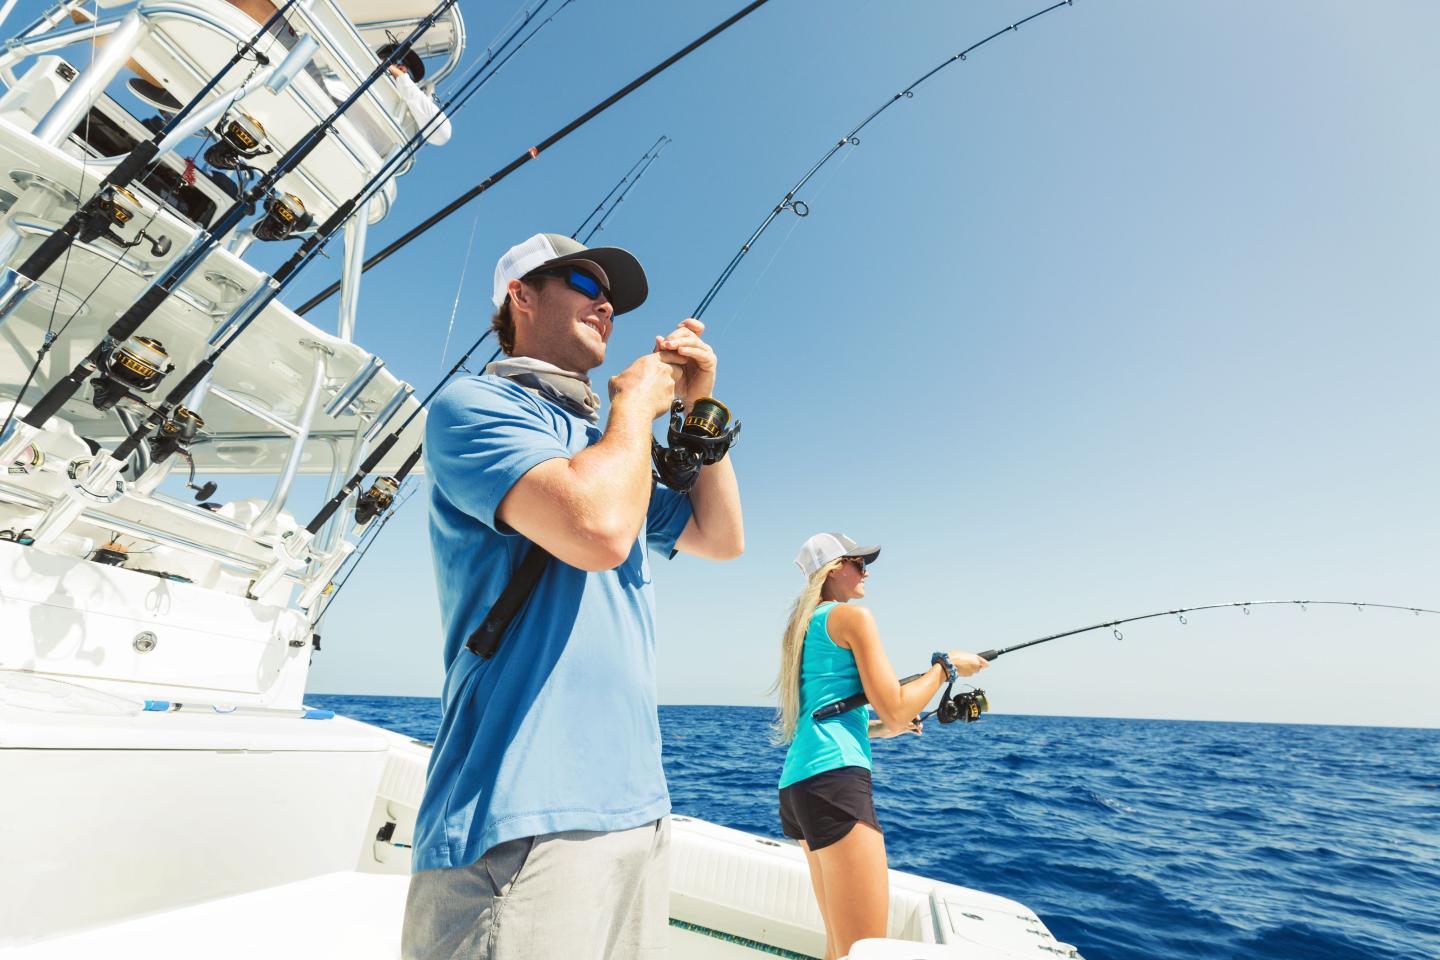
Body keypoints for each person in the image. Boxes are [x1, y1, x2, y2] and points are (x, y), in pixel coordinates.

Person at [402, 233, 744, 959]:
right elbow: (596, 530)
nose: (606, 302)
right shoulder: (473, 406)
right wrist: (632, 410)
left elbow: (720, 537)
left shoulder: (605, 447)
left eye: (609, 294)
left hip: (637, 806)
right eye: (584, 282)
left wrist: (695, 400)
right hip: (521, 809)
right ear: (520, 297)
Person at [774, 533, 989, 960]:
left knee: (840, 950)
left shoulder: (803, 628)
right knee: (864, 952)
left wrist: (879, 730)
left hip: (800, 788)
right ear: (835, 568)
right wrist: (946, 668)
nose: (866, 571)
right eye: (858, 562)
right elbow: (894, 706)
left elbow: (824, 714)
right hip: (835, 784)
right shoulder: (853, 619)